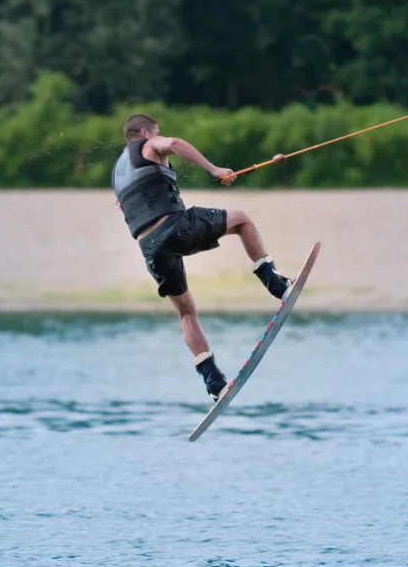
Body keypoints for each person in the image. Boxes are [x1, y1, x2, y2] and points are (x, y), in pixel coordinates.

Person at [112, 114, 293, 401]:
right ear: (145, 132)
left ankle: (214, 383)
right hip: (173, 227)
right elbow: (174, 143)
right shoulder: (150, 144)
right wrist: (214, 169)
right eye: (156, 132)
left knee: (186, 311)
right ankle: (277, 284)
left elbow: (125, 208)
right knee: (242, 221)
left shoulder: (118, 173)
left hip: (149, 247)